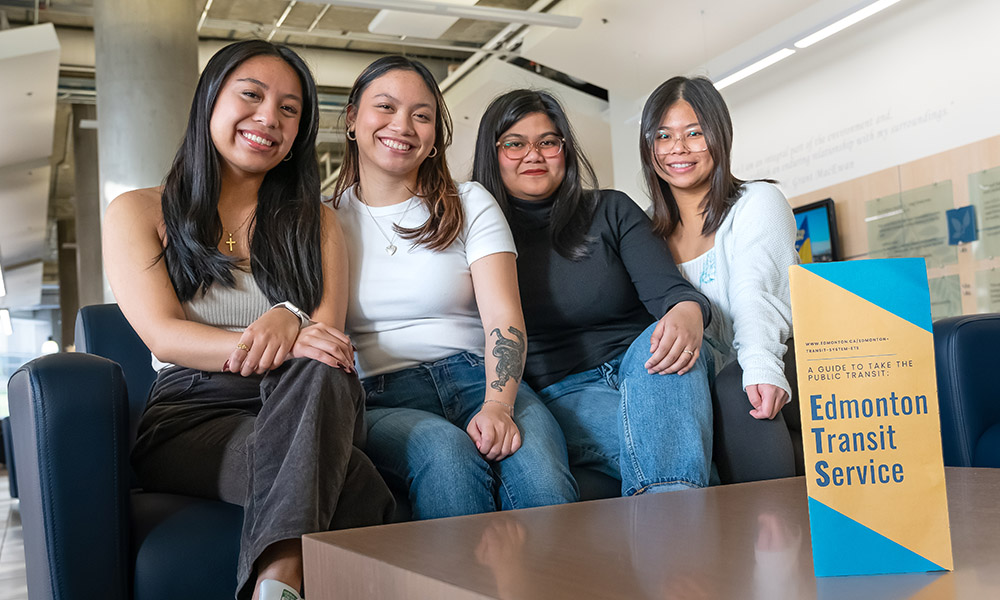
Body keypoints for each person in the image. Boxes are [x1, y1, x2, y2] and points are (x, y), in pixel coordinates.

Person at [103, 40, 393, 600]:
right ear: (210, 100)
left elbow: (325, 344)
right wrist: (280, 329)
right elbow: (164, 334)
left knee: (320, 368)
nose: (269, 118)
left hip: (309, 400)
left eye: (289, 109)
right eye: (252, 96)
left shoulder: (320, 224)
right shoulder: (139, 211)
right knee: (357, 485)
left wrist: (289, 317)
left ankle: (277, 578)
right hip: (191, 414)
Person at [329, 57, 578, 519]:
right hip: (380, 395)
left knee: (542, 479)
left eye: (421, 115)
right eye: (385, 107)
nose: (402, 126)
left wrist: (498, 406)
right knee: (444, 454)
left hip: (480, 377)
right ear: (352, 118)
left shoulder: (469, 202)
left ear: (434, 135)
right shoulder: (324, 220)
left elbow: (504, 317)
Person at [472, 89, 714, 496]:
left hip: (649, 364)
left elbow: (670, 293)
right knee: (674, 453)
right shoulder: (480, 237)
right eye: (515, 143)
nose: (534, 155)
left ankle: (675, 539)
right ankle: (683, 536)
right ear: (492, 153)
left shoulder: (611, 210)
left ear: (565, 150)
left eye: (548, 142)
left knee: (667, 367)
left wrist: (688, 309)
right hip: (563, 389)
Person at [638, 75, 800, 483]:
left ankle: (774, 532)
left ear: (719, 136)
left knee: (735, 385)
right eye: (664, 135)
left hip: (781, 357)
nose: (678, 148)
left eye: (694, 133)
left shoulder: (757, 203)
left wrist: (761, 366)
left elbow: (755, 292)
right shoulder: (645, 235)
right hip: (699, 380)